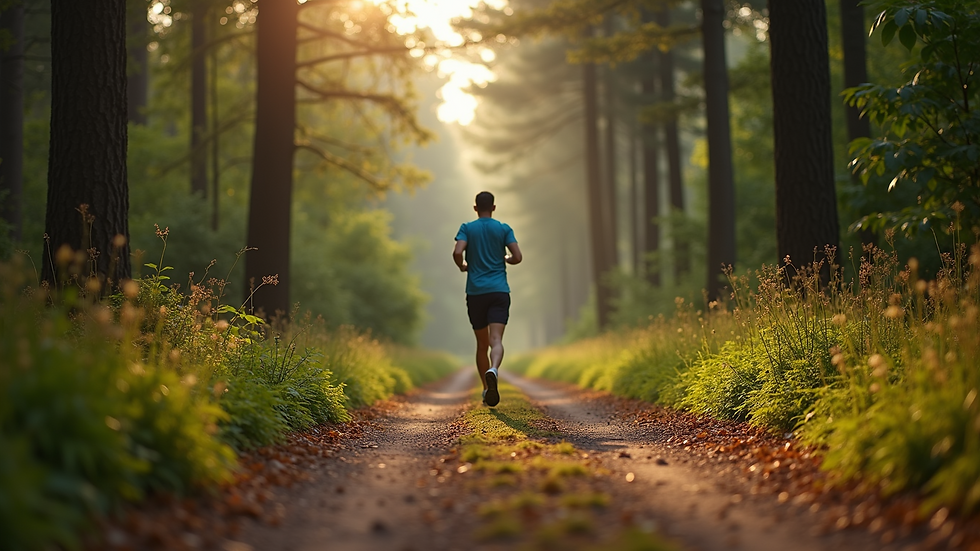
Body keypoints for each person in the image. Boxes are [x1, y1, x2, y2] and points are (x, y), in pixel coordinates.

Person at [453, 191, 522, 407]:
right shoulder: (503, 228)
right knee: (496, 341)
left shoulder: (467, 228)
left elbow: (457, 251)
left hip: (475, 293)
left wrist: (463, 265)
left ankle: (485, 389)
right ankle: (494, 369)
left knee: (481, 344)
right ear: (493, 207)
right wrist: (506, 259)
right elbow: (518, 257)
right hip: (499, 291)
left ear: (475, 208)